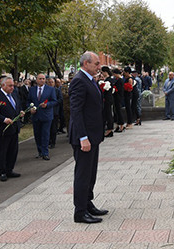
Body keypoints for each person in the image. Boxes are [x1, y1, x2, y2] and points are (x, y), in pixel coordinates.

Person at [69, 52, 107, 224]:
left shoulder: (90, 79)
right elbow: (76, 111)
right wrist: (83, 137)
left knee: (91, 173)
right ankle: (80, 212)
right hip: (84, 137)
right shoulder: (78, 80)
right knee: (83, 174)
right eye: (96, 63)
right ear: (86, 63)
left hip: (93, 135)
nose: (99, 67)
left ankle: (87, 202)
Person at [0, 76, 24, 182]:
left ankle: (10, 169)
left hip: (14, 127)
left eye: (13, 85)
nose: (12, 88)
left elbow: (17, 106)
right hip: (2, 129)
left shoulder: (14, 94)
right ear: (3, 85)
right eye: (10, 86)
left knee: (13, 150)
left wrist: (20, 112)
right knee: (2, 151)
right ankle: (3, 171)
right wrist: (4, 119)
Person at [27, 73, 57, 160]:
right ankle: (40, 151)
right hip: (36, 115)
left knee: (45, 134)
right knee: (37, 134)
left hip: (46, 115)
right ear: (36, 80)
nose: (42, 80)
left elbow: (54, 101)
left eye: (43, 79)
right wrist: (30, 108)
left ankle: (45, 152)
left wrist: (47, 105)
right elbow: (28, 101)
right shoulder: (32, 90)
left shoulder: (50, 89)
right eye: (40, 79)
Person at [100, 66, 115, 137]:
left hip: (107, 98)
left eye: (102, 72)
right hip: (107, 98)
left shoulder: (109, 80)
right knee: (106, 113)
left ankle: (110, 129)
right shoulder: (107, 79)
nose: (101, 74)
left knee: (108, 113)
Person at [111, 68, 125, 132]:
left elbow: (118, 89)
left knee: (118, 111)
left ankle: (121, 125)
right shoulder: (118, 80)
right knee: (116, 111)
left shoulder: (120, 80)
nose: (113, 75)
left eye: (114, 74)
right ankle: (118, 125)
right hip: (116, 97)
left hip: (118, 97)